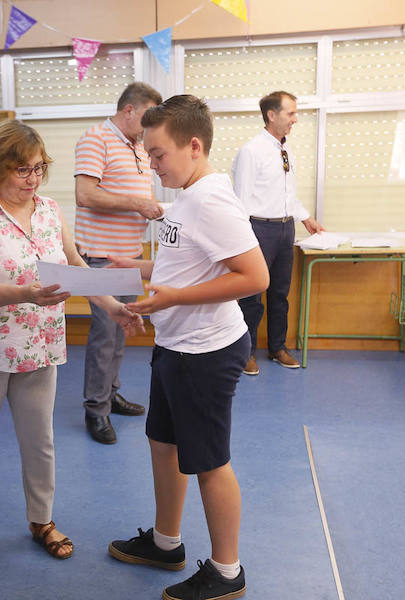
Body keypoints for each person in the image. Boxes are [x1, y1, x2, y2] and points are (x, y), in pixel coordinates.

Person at [0, 119, 144, 564]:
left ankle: (42, 520)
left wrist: (112, 306)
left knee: (40, 441)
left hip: (39, 347)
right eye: (23, 170)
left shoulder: (51, 211)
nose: (33, 179)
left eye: (39, 169)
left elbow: (74, 266)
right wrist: (27, 293)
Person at [107, 95, 269, 600]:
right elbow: (190, 264)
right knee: (165, 444)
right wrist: (138, 272)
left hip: (205, 352)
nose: (152, 167)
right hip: (175, 345)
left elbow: (253, 276)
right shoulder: (186, 199)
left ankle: (226, 573)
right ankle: (165, 542)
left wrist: (174, 297)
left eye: (158, 155)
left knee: (208, 461)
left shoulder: (212, 200)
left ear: (193, 146)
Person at [73, 82, 163, 444]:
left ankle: (110, 392)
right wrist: (138, 204)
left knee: (123, 330)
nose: (149, 125)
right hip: (102, 256)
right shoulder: (96, 138)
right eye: (147, 117)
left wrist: (152, 207)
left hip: (129, 256)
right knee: (104, 336)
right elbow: (86, 194)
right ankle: (96, 409)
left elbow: (136, 192)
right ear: (129, 110)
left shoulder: (138, 146)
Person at [231, 91, 325, 375]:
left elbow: (288, 195)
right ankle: (245, 352)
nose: (295, 120)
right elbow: (242, 199)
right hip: (258, 228)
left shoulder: (285, 150)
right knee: (251, 295)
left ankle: (277, 347)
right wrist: (243, 238)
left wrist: (306, 218)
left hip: (286, 229)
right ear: (272, 115)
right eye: (291, 114)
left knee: (280, 293)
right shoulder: (251, 151)